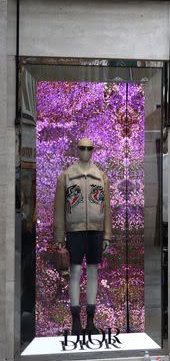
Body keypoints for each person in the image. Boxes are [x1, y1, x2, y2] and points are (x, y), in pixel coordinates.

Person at [54, 138, 112, 335]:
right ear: (77, 150)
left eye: (89, 148)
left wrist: (107, 235)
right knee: (75, 272)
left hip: (96, 231)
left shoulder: (102, 177)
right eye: (82, 148)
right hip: (74, 231)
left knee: (94, 272)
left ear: (93, 150)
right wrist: (60, 238)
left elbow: (107, 209)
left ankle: (91, 321)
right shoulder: (66, 177)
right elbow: (59, 210)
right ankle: (75, 321)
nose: (86, 151)